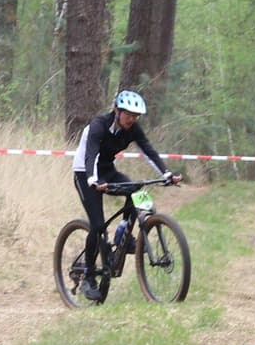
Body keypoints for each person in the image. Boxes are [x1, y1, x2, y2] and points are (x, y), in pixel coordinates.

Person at [71, 90, 181, 300]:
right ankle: (88, 276)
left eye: (136, 116)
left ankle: (124, 235)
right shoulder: (99, 125)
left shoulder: (133, 129)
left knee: (135, 189)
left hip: (107, 169)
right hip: (85, 172)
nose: (132, 119)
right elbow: (91, 154)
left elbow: (148, 151)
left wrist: (166, 173)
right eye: (128, 114)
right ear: (117, 111)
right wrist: (93, 179)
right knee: (97, 225)